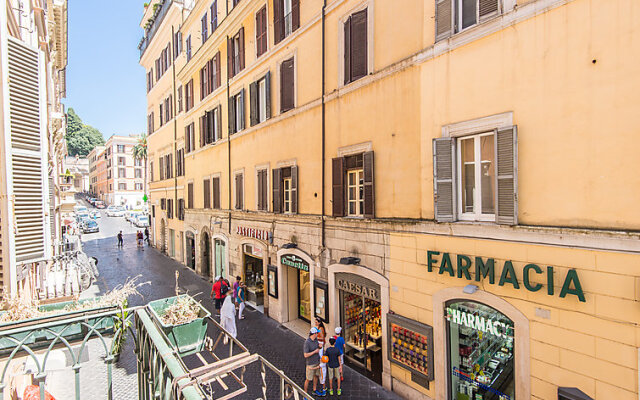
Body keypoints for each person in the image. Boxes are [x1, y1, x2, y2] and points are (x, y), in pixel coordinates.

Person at [303, 327, 324, 397]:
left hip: (317, 362)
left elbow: (317, 348)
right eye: (316, 333)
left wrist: (320, 346)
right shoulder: (307, 342)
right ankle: (305, 394)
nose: (317, 334)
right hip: (310, 364)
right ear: (314, 334)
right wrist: (315, 352)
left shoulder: (315, 340)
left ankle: (314, 390)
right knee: (308, 379)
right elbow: (305, 355)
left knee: (316, 376)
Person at [315, 318, 328, 394]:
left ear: (319, 323)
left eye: (316, 322)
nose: (315, 323)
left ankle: (323, 390)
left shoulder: (321, 329)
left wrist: (316, 337)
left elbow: (322, 337)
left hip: (320, 344)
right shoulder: (319, 328)